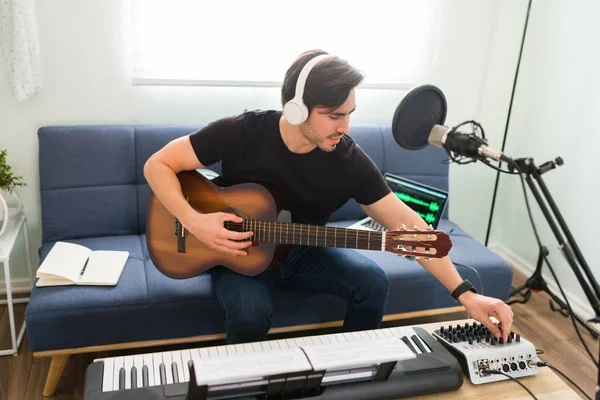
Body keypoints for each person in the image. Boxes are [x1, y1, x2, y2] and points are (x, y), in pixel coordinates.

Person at [143, 49, 514, 345]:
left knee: (373, 283)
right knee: (249, 314)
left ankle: (350, 367)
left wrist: (466, 294)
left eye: (350, 114)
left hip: (302, 250)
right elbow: (157, 165)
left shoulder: (347, 159)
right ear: (297, 108)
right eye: (334, 115)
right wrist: (196, 222)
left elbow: (410, 226)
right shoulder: (243, 132)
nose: (345, 127)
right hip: (237, 252)